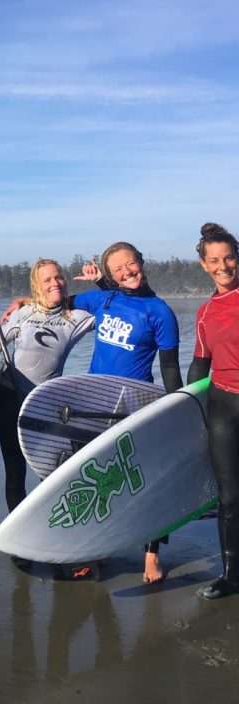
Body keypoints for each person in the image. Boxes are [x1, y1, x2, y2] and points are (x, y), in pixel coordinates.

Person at [5, 242, 183, 583]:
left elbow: (171, 371)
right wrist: (28, 302)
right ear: (111, 276)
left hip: (135, 402)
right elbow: (59, 305)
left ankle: (151, 555)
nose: (126, 271)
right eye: (117, 269)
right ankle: (100, 545)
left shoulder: (160, 312)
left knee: (144, 480)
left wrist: (178, 412)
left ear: (141, 262)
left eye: (130, 263)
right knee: (99, 479)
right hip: (96, 403)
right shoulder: (102, 300)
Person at [0, 259, 95, 567]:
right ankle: (21, 542)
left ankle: (56, 534)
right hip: (9, 398)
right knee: (15, 470)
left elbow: (112, 308)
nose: (55, 283)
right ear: (37, 285)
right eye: (47, 279)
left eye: (59, 277)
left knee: (50, 472)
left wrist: (102, 282)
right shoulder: (22, 315)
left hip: (44, 402)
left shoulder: (76, 318)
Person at [186, 222, 239, 600]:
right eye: (215, 260)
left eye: (230, 257)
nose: (224, 266)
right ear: (205, 265)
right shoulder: (205, 312)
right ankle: (230, 575)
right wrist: (180, 407)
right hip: (224, 406)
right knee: (229, 496)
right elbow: (199, 366)